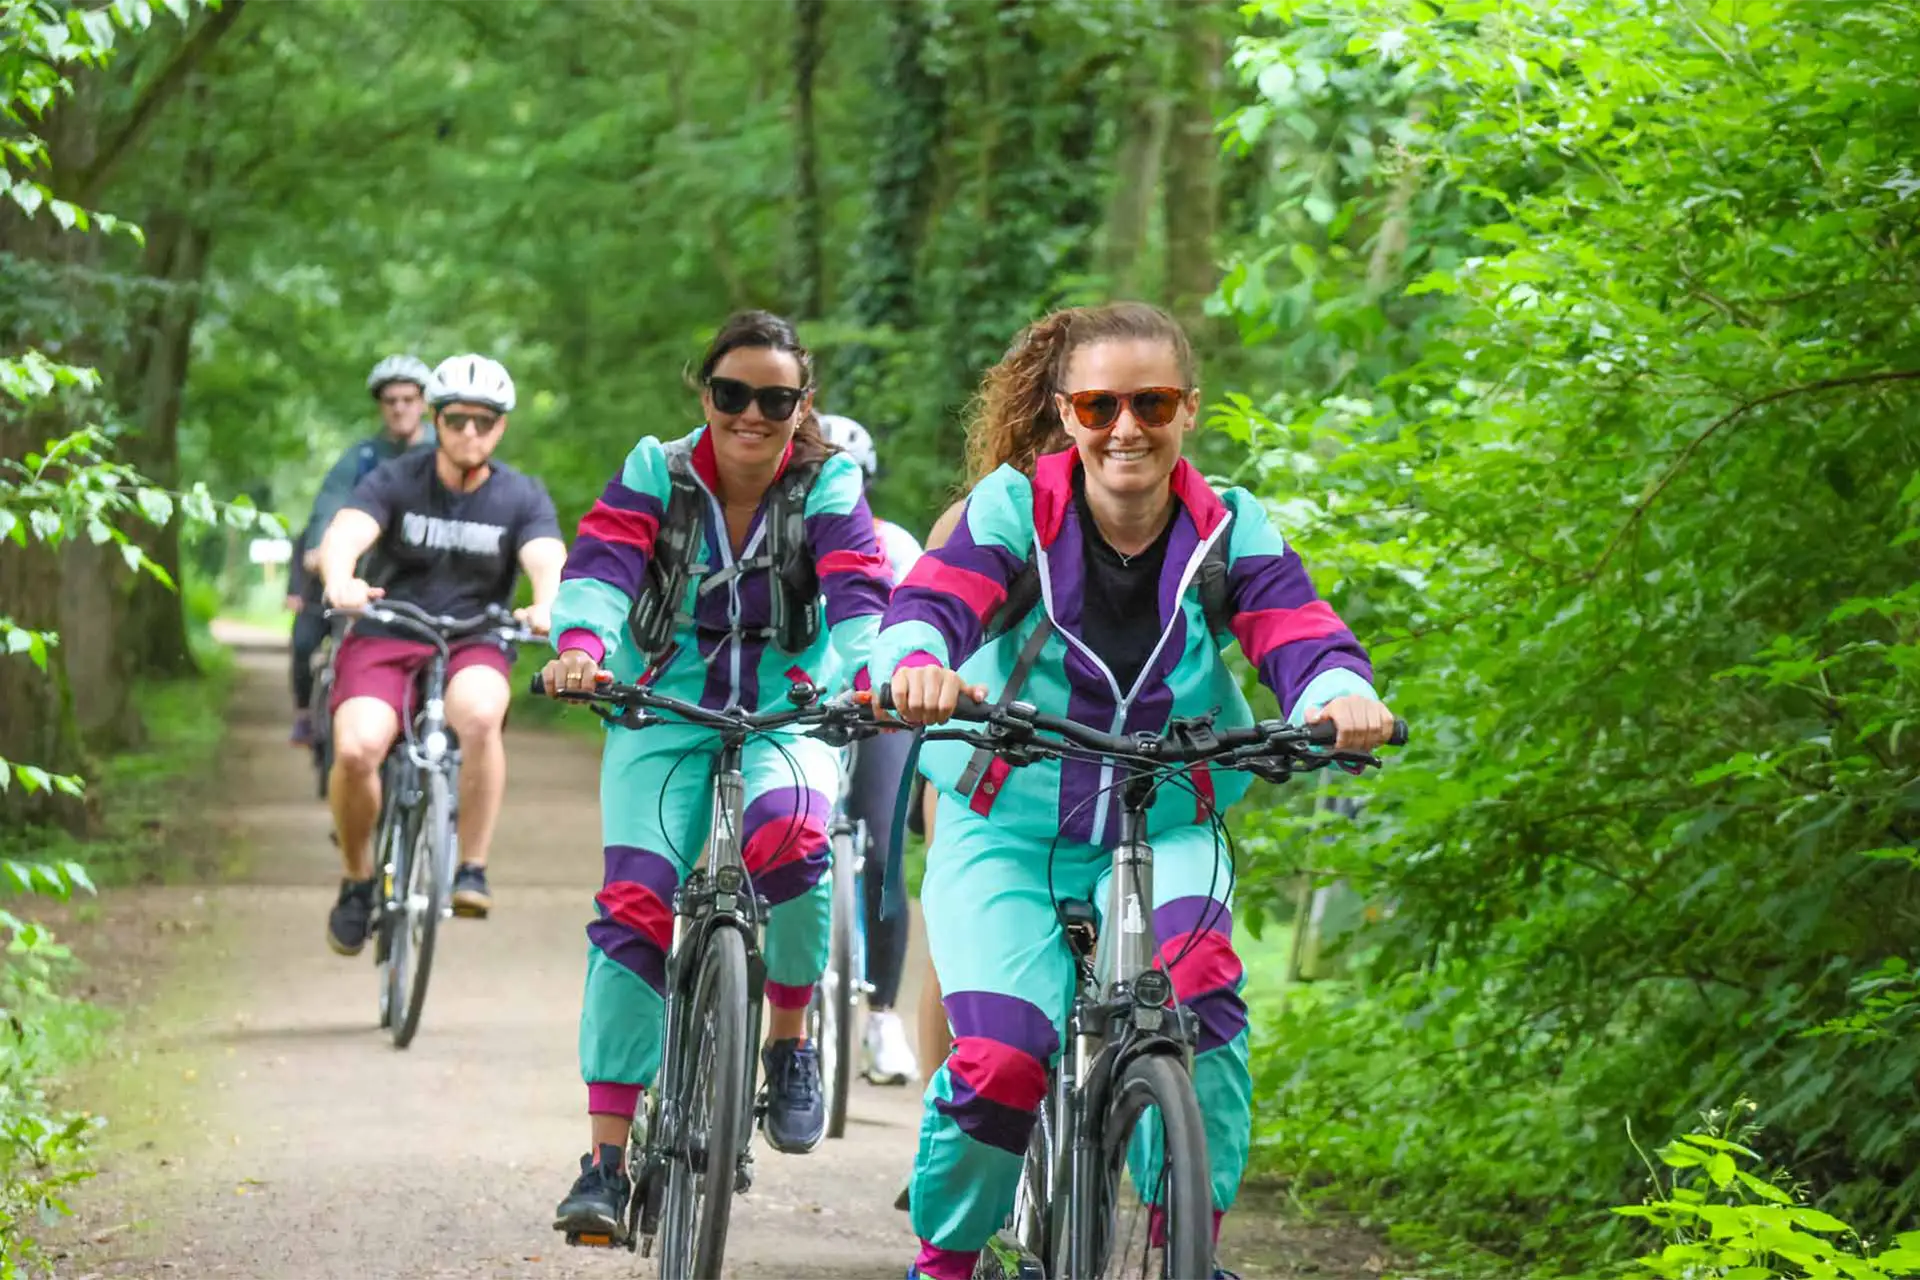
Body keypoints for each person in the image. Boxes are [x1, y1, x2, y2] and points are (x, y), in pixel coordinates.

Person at [867, 302, 1397, 1280]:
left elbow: (1295, 622)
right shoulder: (1012, 509)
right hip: (1010, 823)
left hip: (1169, 818)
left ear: (1188, 409)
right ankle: (946, 1257)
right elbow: (935, 599)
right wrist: (916, 663)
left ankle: (1186, 1240)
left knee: (1202, 1006)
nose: (1126, 428)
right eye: (1100, 404)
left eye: (1151, 403)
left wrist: (1337, 692)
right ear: (1067, 414)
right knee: (1002, 1060)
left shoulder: (1227, 525)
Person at [539, 312, 891, 1244]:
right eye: (733, 394)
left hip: (792, 709)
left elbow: (860, 589)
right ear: (706, 394)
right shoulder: (657, 467)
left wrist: (868, 676)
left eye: (775, 400)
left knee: (793, 841)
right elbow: (602, 568)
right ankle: (605, 1163)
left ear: (800, 406)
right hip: (661, 709)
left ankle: (788, 1040)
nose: (752, 414)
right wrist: (580, 647)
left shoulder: (827, 478)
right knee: (634, 905)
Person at [316, 353, 564, 952]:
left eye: (484, 421)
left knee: (480, 716)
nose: (469, 433)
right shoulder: (398, 478)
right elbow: (347, 530)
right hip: (387, 631)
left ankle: (471, 869)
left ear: (501, 426)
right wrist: (340, 578)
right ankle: (356, 880)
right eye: (456, 421)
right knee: (356, 749)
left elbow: (546, 556)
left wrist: (547, 603)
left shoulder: (521, 495)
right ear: (436, 420)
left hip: (475, 639)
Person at [815, 412, 924, 1086]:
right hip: (802, 706)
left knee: (883, 854)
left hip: (878, 707)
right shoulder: (786, 532)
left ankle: (883, 1016)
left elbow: (921, 625)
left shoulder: (896, 545)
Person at [286, 520, 328, 747]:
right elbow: (298, 559)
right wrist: (293, 590)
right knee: (302, 645)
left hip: (356, 607)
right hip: (314, 601)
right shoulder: (315, 525)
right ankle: (303, 714)